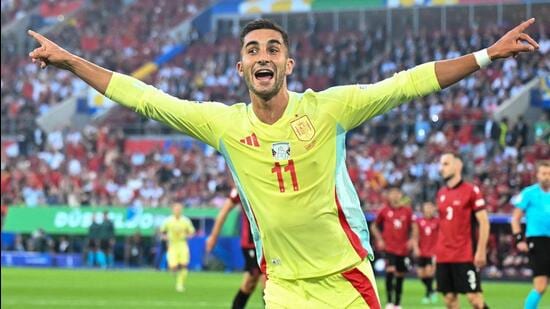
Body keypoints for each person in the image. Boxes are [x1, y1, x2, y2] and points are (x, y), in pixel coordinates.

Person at [27, 17, 539, 307]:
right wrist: (72, 61)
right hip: (284, 286)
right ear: (242, 66)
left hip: (346, 281)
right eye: (253, 49)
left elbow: (405, 84)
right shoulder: (223, 124)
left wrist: (485, 56)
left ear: (288, 64)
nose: (263, 55)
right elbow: (145, 98)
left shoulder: (329, 108)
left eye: (273, 48)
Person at [435, 153, 490, 309]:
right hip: (444, 255)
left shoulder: (471, 190)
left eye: (446, 164)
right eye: (441, 164)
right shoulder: (441, 193)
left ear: (458, 165)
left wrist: (480, 251)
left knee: (475, 299)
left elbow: (484, 223)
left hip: (464, 254)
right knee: (450, 299)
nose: (442, 168)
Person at [206, 188, 264, 309]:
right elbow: (224, 212)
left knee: (268, 281)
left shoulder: (267, 181)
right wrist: (213, 236)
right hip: (251, 243)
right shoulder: (242, 185)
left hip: (270, 241)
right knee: (250, 283)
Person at [511, 160, 550, 309]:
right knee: (540, 285)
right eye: (543, 173)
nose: (546, 177)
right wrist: (519, 239)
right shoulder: (529, 193)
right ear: (537, 175)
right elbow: (515, 218)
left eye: (549, 174)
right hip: (538, 241)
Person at [370, 186, 414, 309]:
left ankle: (397, 303)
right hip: (389, 248)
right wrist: (379, 239)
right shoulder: (384, 210)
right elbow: (374, 226)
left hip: (403, 248)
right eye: (392, 193)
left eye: (397, 193)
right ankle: (389, 302)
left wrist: (412, 240)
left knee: (400, 275)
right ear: (388, 196)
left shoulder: (407, 211)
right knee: (390, 271)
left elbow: (414, 226)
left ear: (400, 195)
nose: (394, 196)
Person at [160, 203, 196, 292]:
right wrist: (164, 237)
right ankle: (174, 271)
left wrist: (188, 236)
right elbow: (161, 232)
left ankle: (180, 285)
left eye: (179, 209)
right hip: (172, 244)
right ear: (172, 210)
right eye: (176, 209)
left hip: (182, 244)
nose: (177, 211)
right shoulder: (168, 221)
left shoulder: (185, 221)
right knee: (174, 267)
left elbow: (192, 232)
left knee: (184, 265)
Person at [412, 201, 439, 304]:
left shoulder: (437, 221)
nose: (429, 209)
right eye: (427, 207)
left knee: (429, 272)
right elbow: (415, 236)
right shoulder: (419, 221)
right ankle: (432, 291)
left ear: (434, 209)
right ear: (423, 209)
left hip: (432, 252)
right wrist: (415, 248)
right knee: (421, 275)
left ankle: (428, 295)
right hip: (422, 251)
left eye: (431, 207)